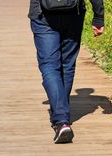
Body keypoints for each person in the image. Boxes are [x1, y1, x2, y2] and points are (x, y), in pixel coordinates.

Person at [29, 0, 105, 143]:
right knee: (67, 65)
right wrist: (98, 16)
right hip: (73, 15)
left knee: (49, 66)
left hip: (42, 15)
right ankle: (61, 116)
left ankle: (61, 120)